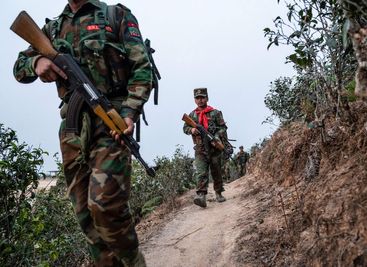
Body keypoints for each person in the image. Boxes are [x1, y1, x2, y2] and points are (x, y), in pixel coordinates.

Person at [13, 0, 152, 266]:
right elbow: (19, 68)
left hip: (111, 122)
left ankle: (134, 261)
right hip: (73, 131)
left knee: (104, 206)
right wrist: (37, 62)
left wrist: (130, 113)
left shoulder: (115, 15)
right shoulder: (52, 28)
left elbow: (142, 69)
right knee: (84, 214)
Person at [183, 88, 227, 208]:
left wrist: (216, 137)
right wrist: (191, 129)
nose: (200, 100)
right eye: (198, 98)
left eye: (202, 97)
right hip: (200, 148)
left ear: (207, 98)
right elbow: (185, 128)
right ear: (194, 100)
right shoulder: (192, 115)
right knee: (201, 172)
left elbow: (223, 128)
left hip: (214, 147)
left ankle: (218, 193)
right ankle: (201, 195)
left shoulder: (215, 113)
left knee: (216, 170)